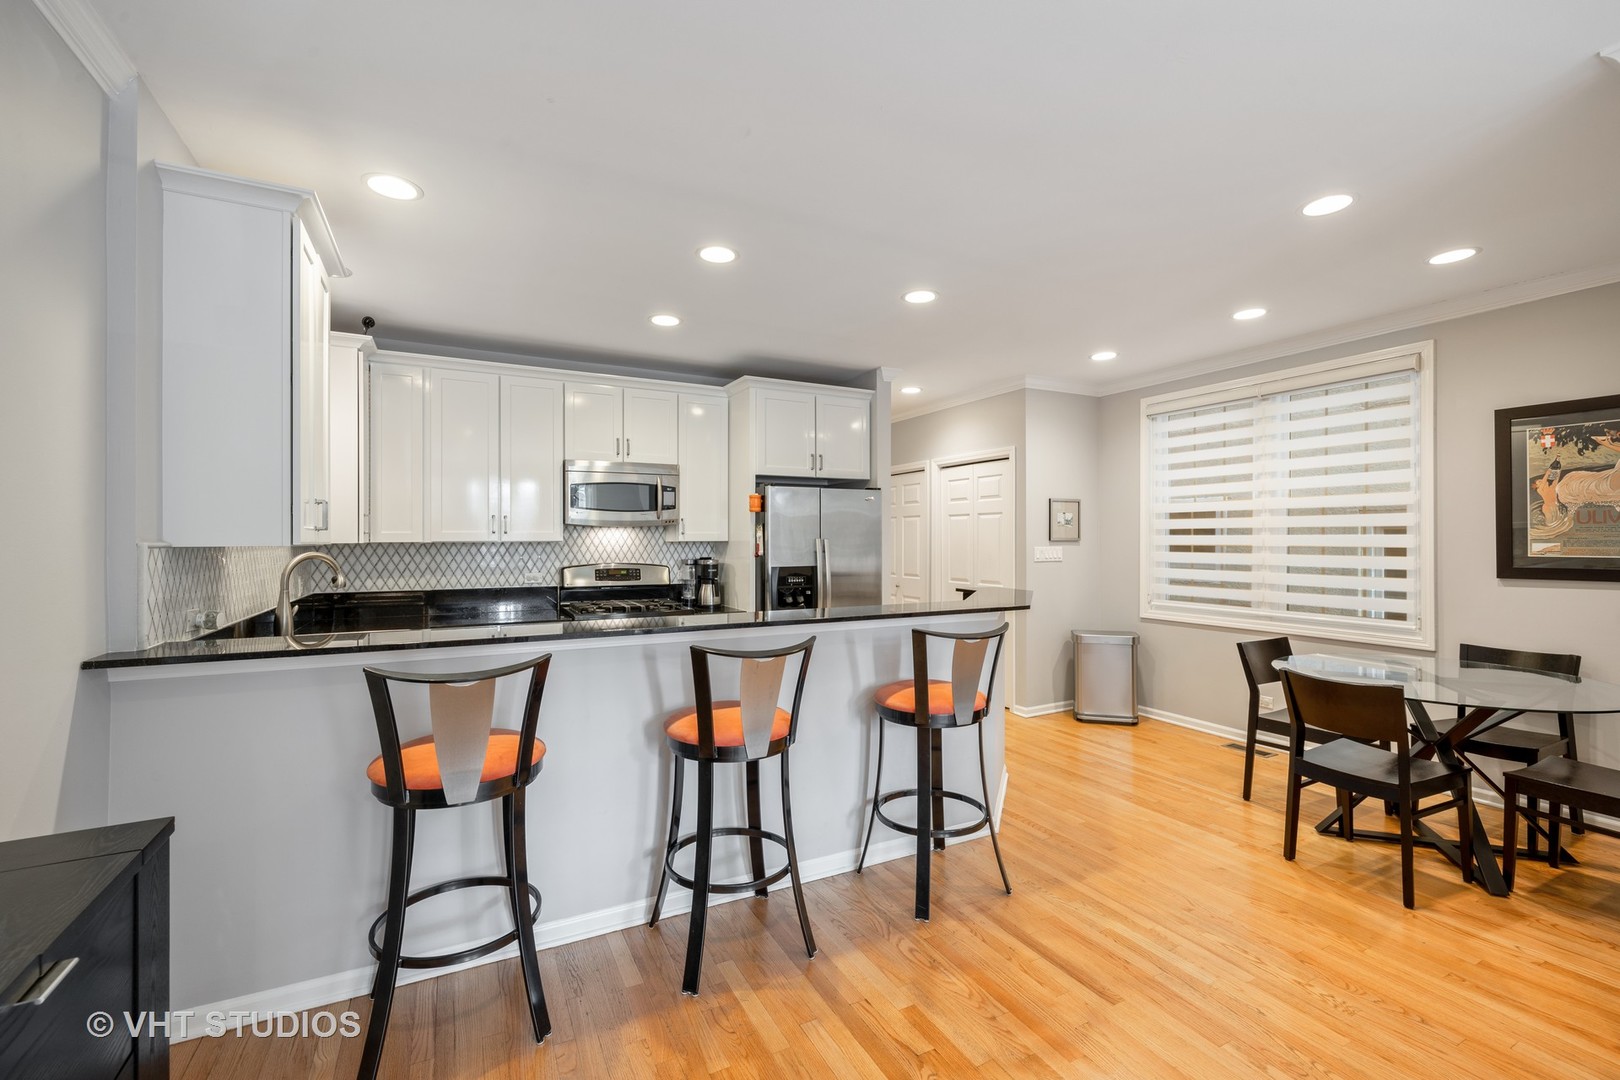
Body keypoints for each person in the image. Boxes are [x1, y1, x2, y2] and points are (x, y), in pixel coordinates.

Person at [1530, 434, 1620, 540]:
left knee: (1604, 485)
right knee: (1603, 485)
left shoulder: (1551, 495)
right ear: (1537, 486)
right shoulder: (1543, 490)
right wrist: (1554, 463)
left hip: (1572, 492)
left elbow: (1554, 475)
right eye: (1539, 481)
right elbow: (1551, 474)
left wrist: (1556, 460)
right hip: (1572, 491)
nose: (1541, 481)